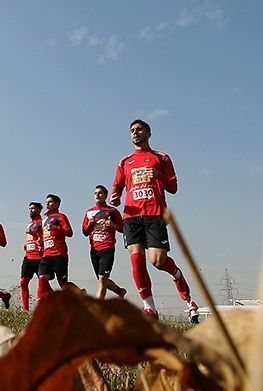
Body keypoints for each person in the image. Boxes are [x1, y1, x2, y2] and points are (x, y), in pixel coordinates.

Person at [110, 119, 198, 322]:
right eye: (132, 130)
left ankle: (177, 275)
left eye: (139, 129)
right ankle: (150, 309)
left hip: (154, 214)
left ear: (149, 134)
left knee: (157, 261)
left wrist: (158, 175)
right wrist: (115, 198)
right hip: (131, 216)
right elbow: (116, 189)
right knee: (136, 259)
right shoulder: (125, 162)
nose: (135, 133)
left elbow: (173, 188)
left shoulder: (161, 157)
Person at [82, 185, 128, 300]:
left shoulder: (112, 211)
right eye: (95, 193)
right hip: (94, 249)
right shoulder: (89, 212)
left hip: (107, 247)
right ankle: (119, 291)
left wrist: (114, 225)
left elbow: (124, 229)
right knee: (102, 279)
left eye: (100, 193)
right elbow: (85, 232)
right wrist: (90, 224)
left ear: (106, 196)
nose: (97, 195)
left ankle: (98, 308)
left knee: (102, 279)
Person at [37, 194, 82, 301]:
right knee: (42, 278)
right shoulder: (43, 220)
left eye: (50, 202)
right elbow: (43, 235)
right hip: (46, 254)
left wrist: (55, 227)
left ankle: (79, 293)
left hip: (59, 253)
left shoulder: (61, 216)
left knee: (62, 283)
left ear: (56, 204)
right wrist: (40, 241)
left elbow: (69, 232)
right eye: (46, 202)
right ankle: (42, 301)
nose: (47, 203)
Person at [19, 202, 44, 310]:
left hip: (39, 256)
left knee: (43, 284)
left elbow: (45, 237)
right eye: (29, 208)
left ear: (39, 210)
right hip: (28, 256)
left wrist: (35, 236)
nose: (31, 210)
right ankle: (25, 309)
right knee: (23, 282)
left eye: (33, 208)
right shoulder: (29, 224)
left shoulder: (43, 222)